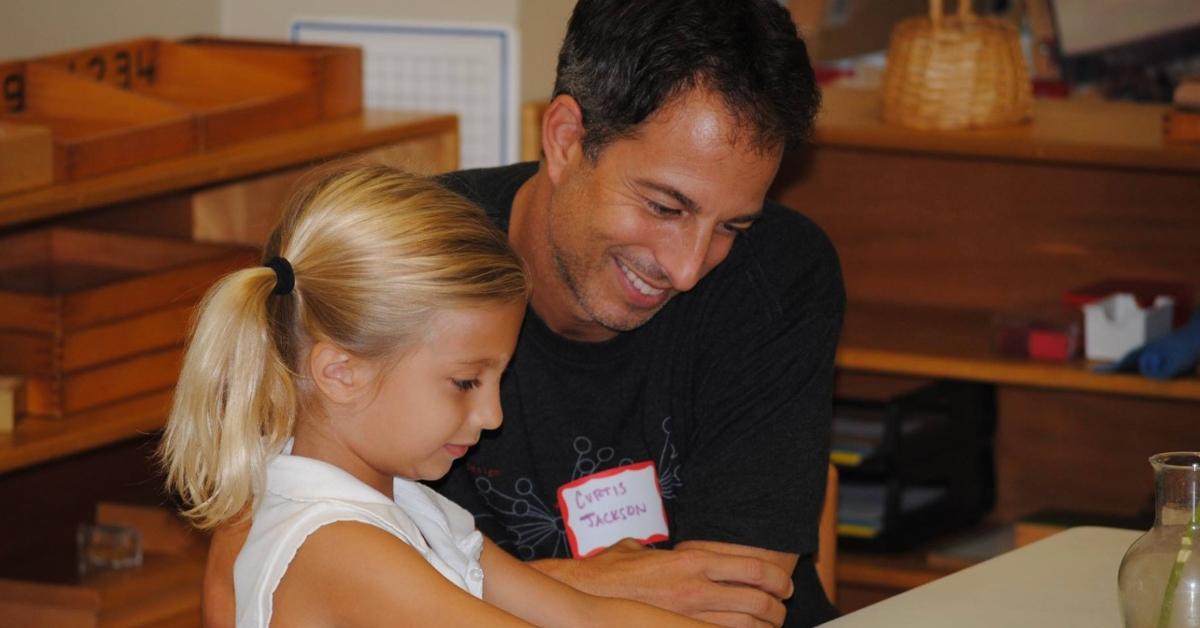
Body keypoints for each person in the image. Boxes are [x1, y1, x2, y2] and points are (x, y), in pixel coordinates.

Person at [206, 0, 843, 626]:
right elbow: (237, 577)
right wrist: (583, 587)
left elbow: (734, 604)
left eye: (731, 224)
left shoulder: (776, 273)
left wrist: (537, 592)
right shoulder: (384, 268)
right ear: (566, 139)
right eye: (664, 206)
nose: (687, 267)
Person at [161, 165, 712, 627]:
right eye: (467, 381)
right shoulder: (338, 546)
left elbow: (583, 616)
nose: (492, 415)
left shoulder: (403, 500)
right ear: (341, 372)